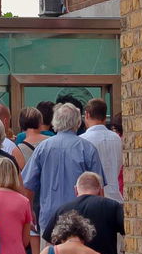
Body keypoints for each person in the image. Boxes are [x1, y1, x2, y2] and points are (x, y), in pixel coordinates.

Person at [21, 102, 104, 239]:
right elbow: (98, 188)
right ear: (78, 122)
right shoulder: (87, 148)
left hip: (49, 218)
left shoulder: (43, 148)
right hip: (81, 219)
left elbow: (28, 185)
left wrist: (30, 212)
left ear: (55, 122)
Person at [57, 172, 124, 254]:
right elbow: (131, 233)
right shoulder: (112, 206)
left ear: (76, 190)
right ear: (101, 191)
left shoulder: (63, 210)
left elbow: (52, 243)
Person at [81, 99, 123, 203]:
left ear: (87, 115)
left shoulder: (82, 140)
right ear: (105, 116)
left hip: (93, 199)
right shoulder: (117, 139)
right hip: (116, 197)